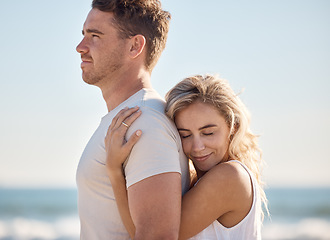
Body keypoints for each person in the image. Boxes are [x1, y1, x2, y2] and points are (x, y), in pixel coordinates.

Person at [75, 0, 190, 239]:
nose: (80, 47)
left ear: (135, 46)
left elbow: (157, 236)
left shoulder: (144, 122)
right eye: (84, 34)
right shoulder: (130, 116)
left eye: (95, 36)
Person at [105, 74, 269, 239]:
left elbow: (151, 234)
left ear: (233, 127)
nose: (197, 147)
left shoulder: (230, 177)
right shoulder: (194, 183)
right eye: (185, 135)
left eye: (208, 133)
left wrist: (114, 170)